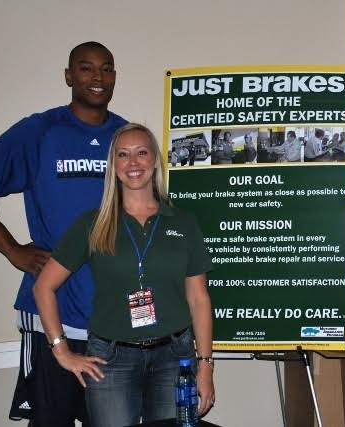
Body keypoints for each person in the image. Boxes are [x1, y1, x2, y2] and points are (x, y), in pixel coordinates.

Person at [0, 41, 127, 426]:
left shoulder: (126, 138)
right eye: (86, 68)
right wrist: (12, 249)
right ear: (69, 76)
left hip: (113, 320)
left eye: (106, 68)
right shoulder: (41, 131)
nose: (98, 77)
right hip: (53, 314)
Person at [33, 123, 215, 427]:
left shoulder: (183, 222)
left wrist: (206, 365)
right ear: (113, 165)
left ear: (154, 160)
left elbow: (199, 298)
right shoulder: (93, 224)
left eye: (141, 152)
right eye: (123, 154)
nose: (133, 163)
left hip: (174, 357)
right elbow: (43, 288)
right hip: (111, 360)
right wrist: (61, 350)